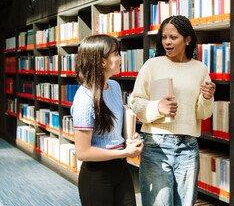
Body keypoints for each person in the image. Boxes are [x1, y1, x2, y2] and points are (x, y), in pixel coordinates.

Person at [130, 15, 216, 205]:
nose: (167, 42)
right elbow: (135, 102)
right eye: (164, 37)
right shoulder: (152, 65)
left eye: (173, 37)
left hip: (188, 147)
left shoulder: (200, 69)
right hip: (156, 146)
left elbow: (203, 114)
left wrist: (207, 98)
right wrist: (157, 108)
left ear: (187, 39)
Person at [71, 35, 143, 206]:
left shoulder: (115, 87)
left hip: (121, 169)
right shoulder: (85, 97)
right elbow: (83, 152)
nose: (120, 58)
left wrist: (131, 139)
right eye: (116, 53)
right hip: (97, 175)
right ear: (102, 61)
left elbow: (115, 129)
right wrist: (125, 153)